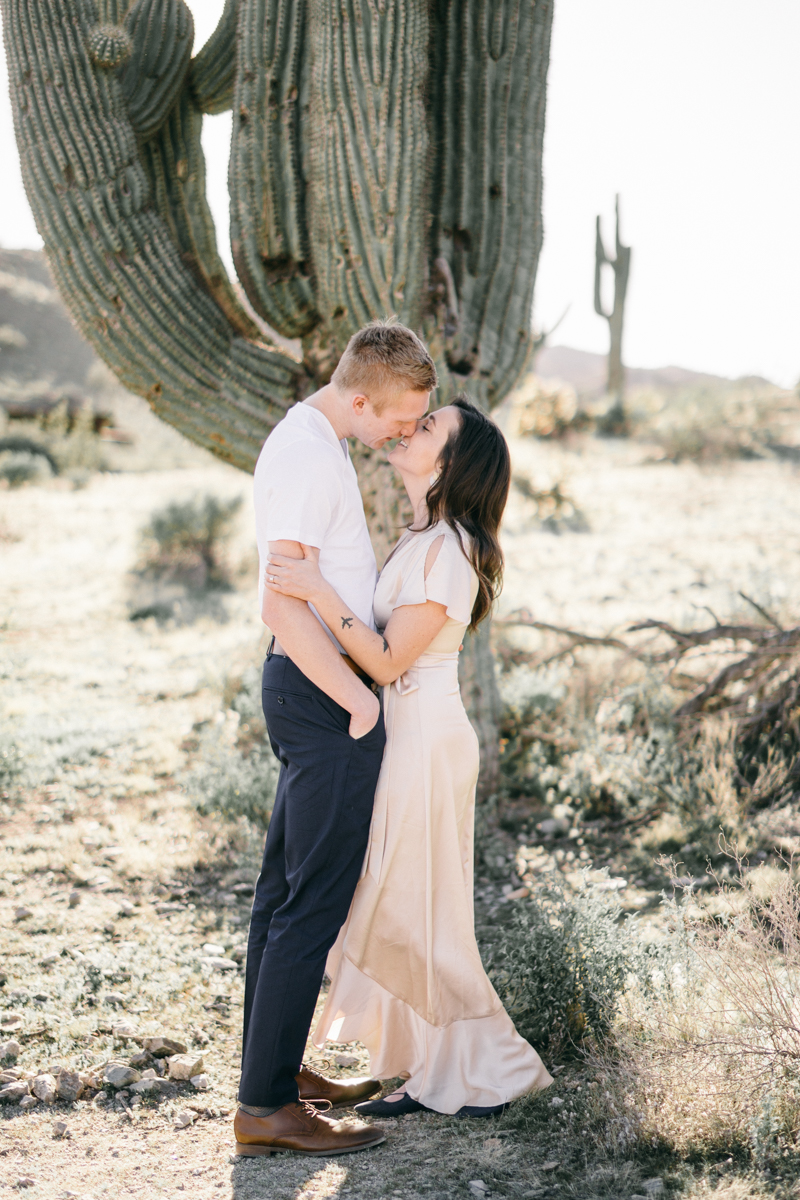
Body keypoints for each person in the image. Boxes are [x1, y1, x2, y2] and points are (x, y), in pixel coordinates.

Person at [264, 396, 553, 1119]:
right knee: (406, 900)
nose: (410, 430)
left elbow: (391, 661)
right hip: (409, 737)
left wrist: (316, 591)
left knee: (426, 907)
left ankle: (489, 1066)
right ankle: (425, 1067)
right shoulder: (424, 538)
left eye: (429, 428)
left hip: (426, 740)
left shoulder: (451, 548)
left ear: (452, 465)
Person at [234, 319, 437, 1158]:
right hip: (322, 697)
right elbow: (283, 600)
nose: (406, 431)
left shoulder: (311, 443)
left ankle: (273, 1079)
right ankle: (265, 1109)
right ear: (361, 398)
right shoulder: (311, 459)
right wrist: (358, 701)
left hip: (311, 691)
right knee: (310, 901)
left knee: (282, 897)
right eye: (400, 417)